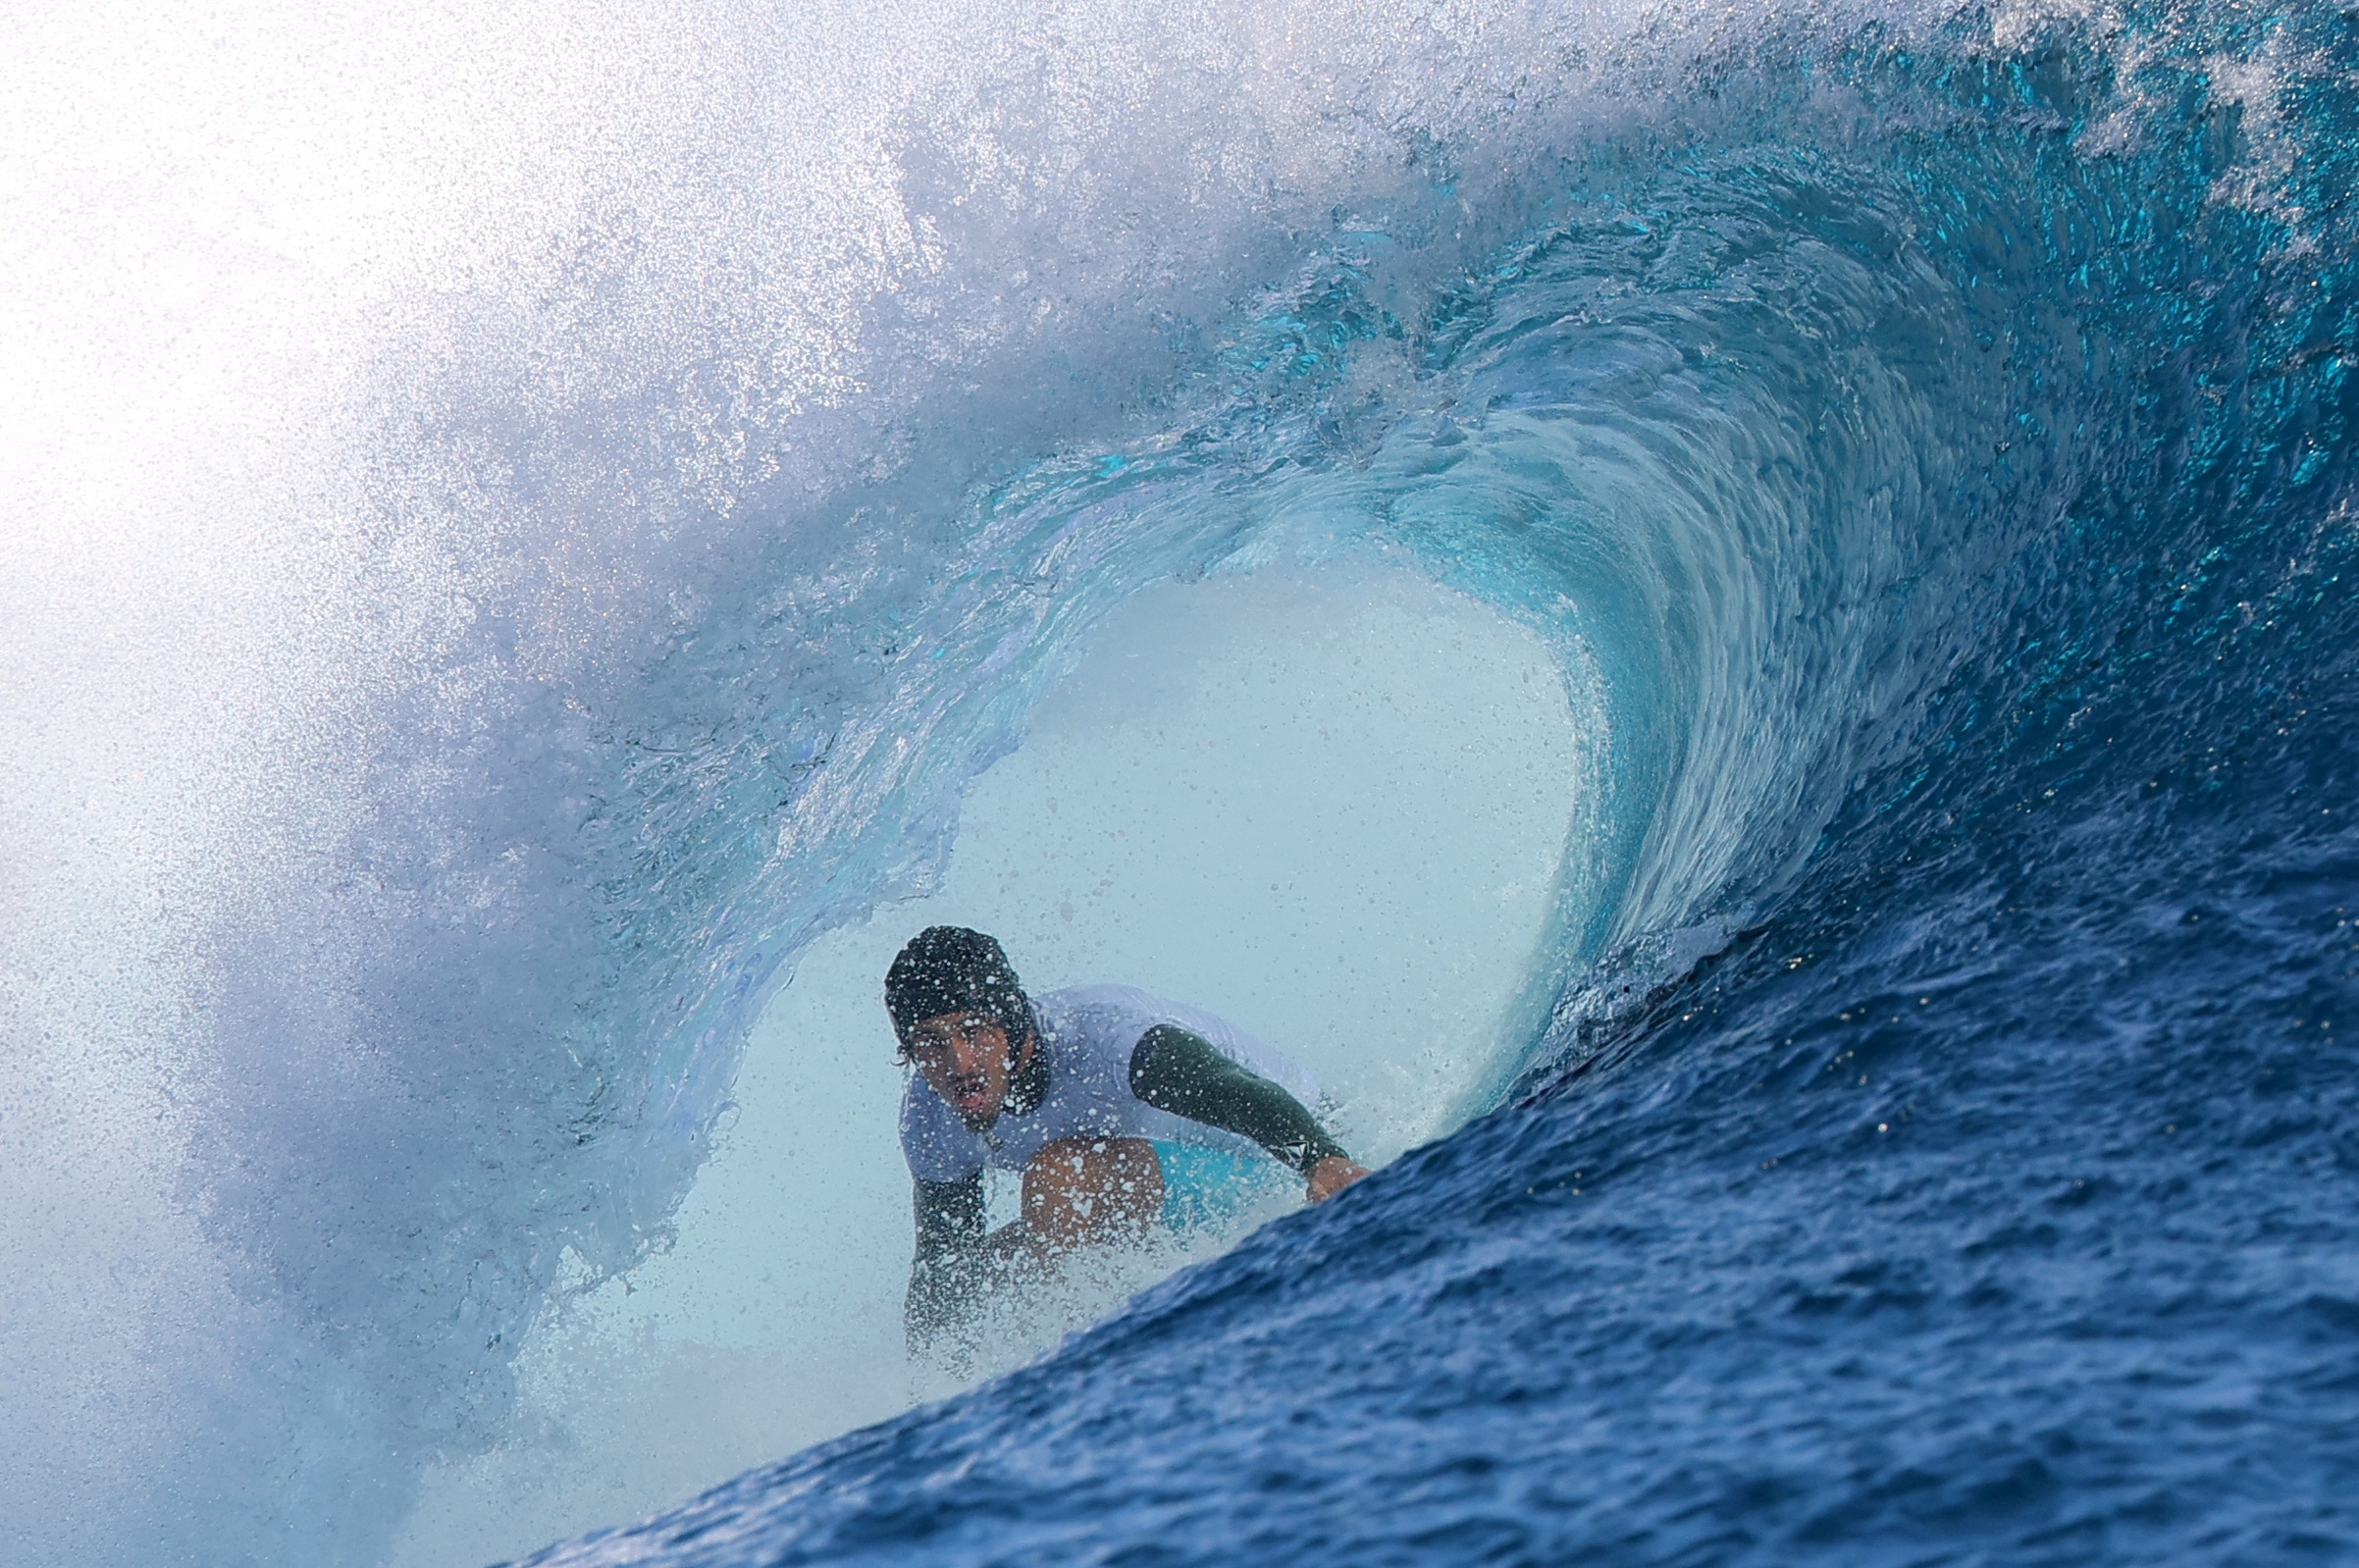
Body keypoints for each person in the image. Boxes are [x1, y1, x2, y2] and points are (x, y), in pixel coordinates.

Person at [887, 924, 1369, 1353]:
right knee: (983, 1270)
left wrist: (1323, 1160)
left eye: (973, 1032)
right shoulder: (931, 1117)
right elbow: (942, 1263)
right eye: (930, 1042)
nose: (958, 1064)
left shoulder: (1105, 1039)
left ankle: (1094, 1360)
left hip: (1275, 1168)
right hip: (1173, 1198)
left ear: (1012, 1023)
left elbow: (1234, 1089)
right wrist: (926, 1383)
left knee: (1062, 1177)